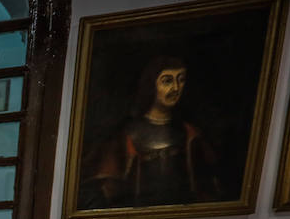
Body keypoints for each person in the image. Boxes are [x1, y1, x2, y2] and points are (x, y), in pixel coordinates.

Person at [80, 55, 221, 209]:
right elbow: (105, 191)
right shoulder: (126, 134)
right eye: (167, 81)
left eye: (181, 80)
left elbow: (209, 186)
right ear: (150, 84)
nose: (176, 88)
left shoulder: (190, 133)